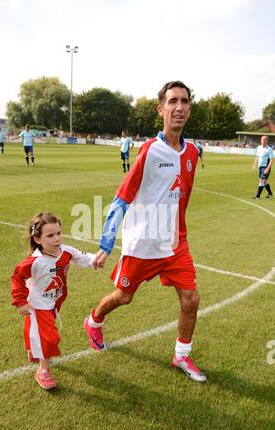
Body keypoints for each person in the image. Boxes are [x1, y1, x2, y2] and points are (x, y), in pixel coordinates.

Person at [83, 81, 207, 383]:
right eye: (172, 101)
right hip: (143, 242)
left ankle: (181, 355)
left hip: (175, 242)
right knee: (124, 297)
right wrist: (107, 242)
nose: (179, 107)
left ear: (189, 108)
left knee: (190, 299)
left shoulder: (192, 151)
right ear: (161, 109)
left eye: (185, 101)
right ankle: (94, 320)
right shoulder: (150, 151)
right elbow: (122, 196)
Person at [11, 212, 98, 390]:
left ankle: (33, 351)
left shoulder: (65, 251)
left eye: (58, 233)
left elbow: (82, 257)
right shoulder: (33, 262)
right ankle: (42, 371)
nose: (56, 238)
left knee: (35, 327)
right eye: (50, 235)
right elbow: (17, 277)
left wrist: (96, 259)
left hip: (55, 301)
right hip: (39, 304)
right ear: (37, 238)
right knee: (49, 338)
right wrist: (20, 302)